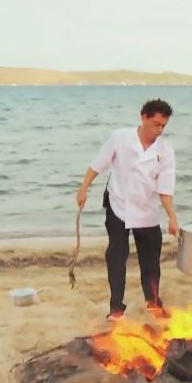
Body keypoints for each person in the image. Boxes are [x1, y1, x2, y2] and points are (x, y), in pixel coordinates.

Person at [76, 99, 180, 321]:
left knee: (151, 261)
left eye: (164, 126)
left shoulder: (166, 151)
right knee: (116, 256)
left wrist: (172, 217)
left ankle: (153, 303)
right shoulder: (120, 137)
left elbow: (165, 190)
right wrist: (84, 188)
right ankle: (116, 309)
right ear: (143, 117)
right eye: (156, 124)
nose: (159, 130)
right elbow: (97, 164)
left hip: (146, 209)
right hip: (118, 204)